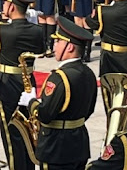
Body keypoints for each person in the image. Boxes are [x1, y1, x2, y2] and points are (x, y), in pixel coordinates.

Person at [19, 17, 97, 169]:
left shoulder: (59, 77)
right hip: (78, 143)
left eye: (58, 42)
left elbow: (45, 115)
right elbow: (89, 110)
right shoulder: (89, 73)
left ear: (69, 47)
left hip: (56, 148)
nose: (54, 46)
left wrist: (31, 101)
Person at [0, 0, 45, 170]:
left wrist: (5, 21)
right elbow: (41, 48)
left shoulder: (2, 30)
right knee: (29, 131)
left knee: (11, 136)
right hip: (29, 85)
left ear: (11, 6)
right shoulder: (37, 30)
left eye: (5, 4)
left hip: (8, 85)